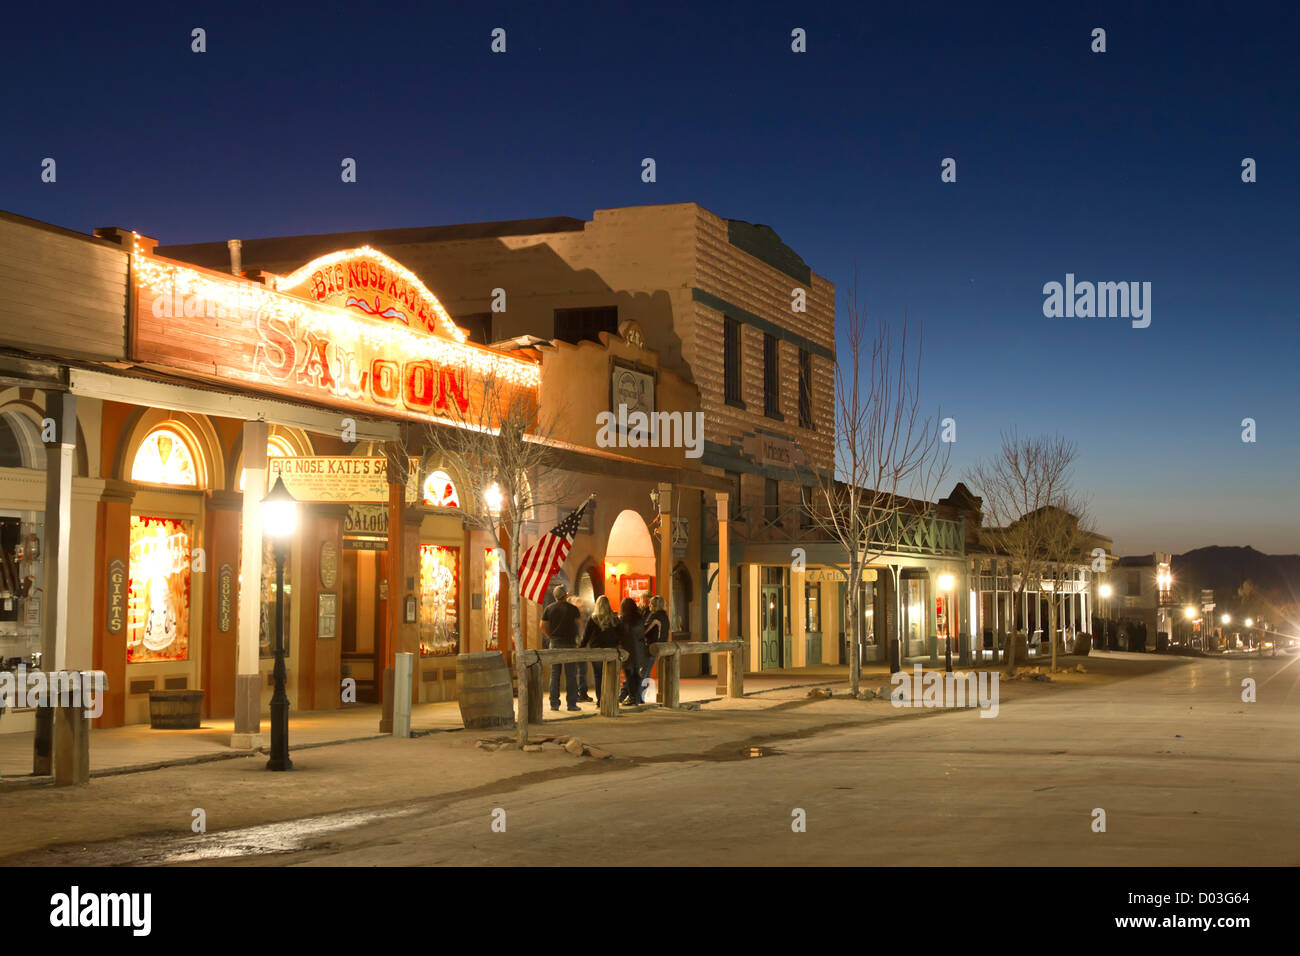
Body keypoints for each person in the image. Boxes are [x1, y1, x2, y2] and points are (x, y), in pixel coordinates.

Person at [541, 584, 582, 711]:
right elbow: (578, 624)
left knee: (555, 674)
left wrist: (550, 637)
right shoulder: (573, 609)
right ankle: (571, 704)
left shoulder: (549, 609)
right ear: (566, 595)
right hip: (570, 643)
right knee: (571, 675)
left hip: (555, 643)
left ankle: (554, 703)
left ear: (555, 596)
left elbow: (542, 625)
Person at [581, 595, 623, 705]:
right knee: (612, 675)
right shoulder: (615, 618)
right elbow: (620, 634)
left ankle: (600, 700)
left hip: (597, 651)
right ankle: (612, 700)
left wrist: (581, 647)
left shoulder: (593, 619)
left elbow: (586, 636)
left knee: (598, 676)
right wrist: (619, 644)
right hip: (612, 651)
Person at [618, 597, 646, 704]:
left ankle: (632, 697)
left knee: (629, 675)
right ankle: (637, 697)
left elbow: (621, 635)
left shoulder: (623, 620)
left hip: (628, 650)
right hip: (638, 650)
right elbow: (641, 634)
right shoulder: (639, 618)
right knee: (637, 675)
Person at [642, 594, 671, 682]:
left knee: (642, 672)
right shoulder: (665, 617)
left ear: (654, 606)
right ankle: (640, 694)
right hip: (661, 646)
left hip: (651, 646)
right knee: (646, 672)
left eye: (650, 604)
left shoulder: (654, 615)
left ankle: (636, 694)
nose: (649, 605)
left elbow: (645, 630)